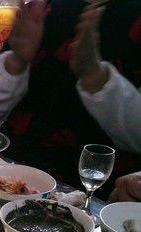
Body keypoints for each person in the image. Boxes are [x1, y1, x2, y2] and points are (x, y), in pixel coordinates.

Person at [0, 0, 141, 195]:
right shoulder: (42, 9)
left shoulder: (134, 18)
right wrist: (16, 60)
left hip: (92, 194)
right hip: (10, 178)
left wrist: (95, 77)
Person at [69, 4, 141, 202]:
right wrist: (16, 62)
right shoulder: (47, 9)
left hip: (103, 196)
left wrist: (95, 77)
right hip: (14, 171)